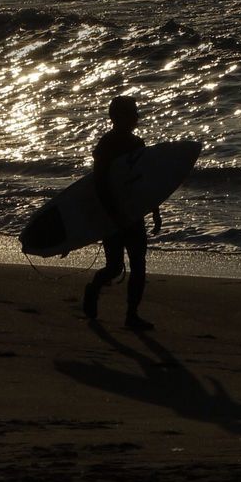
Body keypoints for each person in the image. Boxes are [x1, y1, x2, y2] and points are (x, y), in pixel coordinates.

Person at [83, 94, 160, 330]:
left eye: (136, 112)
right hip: (112, 215)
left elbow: (145, 181)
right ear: (117, 117)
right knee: (114, 267)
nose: (137, 116)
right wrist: (111, 215)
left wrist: (155, 210)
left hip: (134, 213)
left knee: (139, 264)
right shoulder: (106, 145)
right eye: (132, 112)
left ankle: (132, 315)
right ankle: (93, 288)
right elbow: (99, 183)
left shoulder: (138, 144)